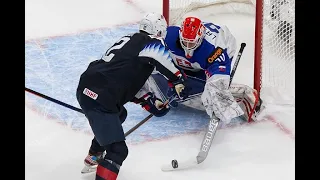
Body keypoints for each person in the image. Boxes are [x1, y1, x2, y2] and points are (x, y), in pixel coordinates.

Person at [76, 12, 189, 180]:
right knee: (118, 151)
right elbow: (159, 55)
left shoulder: (131, 42)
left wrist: (150, 102)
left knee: (120, 114)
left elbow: (127, 79)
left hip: (89, 86)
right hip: (101, 95)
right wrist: (178, 78)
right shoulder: (148, 43)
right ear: (159, 31)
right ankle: (99, 155)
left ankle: (95, 154)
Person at [145, 16, 264, 125]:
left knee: (210, 92)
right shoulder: (168, 36)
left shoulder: (213, 50)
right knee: (160, 74)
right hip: (195, 61)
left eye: (191, 43)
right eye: (185, 42)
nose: (187, 47)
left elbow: (219, 80)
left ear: (200, 38)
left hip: (223, 49)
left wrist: (216, 93)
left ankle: (246, 96)